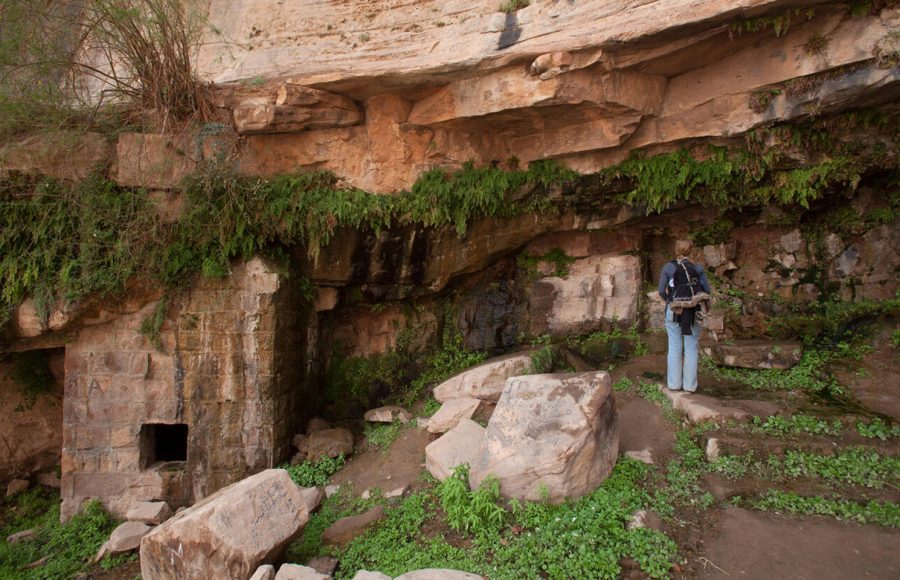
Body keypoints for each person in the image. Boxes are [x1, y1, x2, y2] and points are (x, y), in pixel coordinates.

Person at [658, 239, 711, 393]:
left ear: (676, 250)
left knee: (674, 346)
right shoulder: (698, 268)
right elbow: (707, 290)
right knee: (691, 347)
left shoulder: (668, 267)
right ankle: (689, 386)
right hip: (694, 311)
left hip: (674, 310)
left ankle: (674, 385)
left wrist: (670, 301)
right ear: (690, 250)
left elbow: (661, 290)